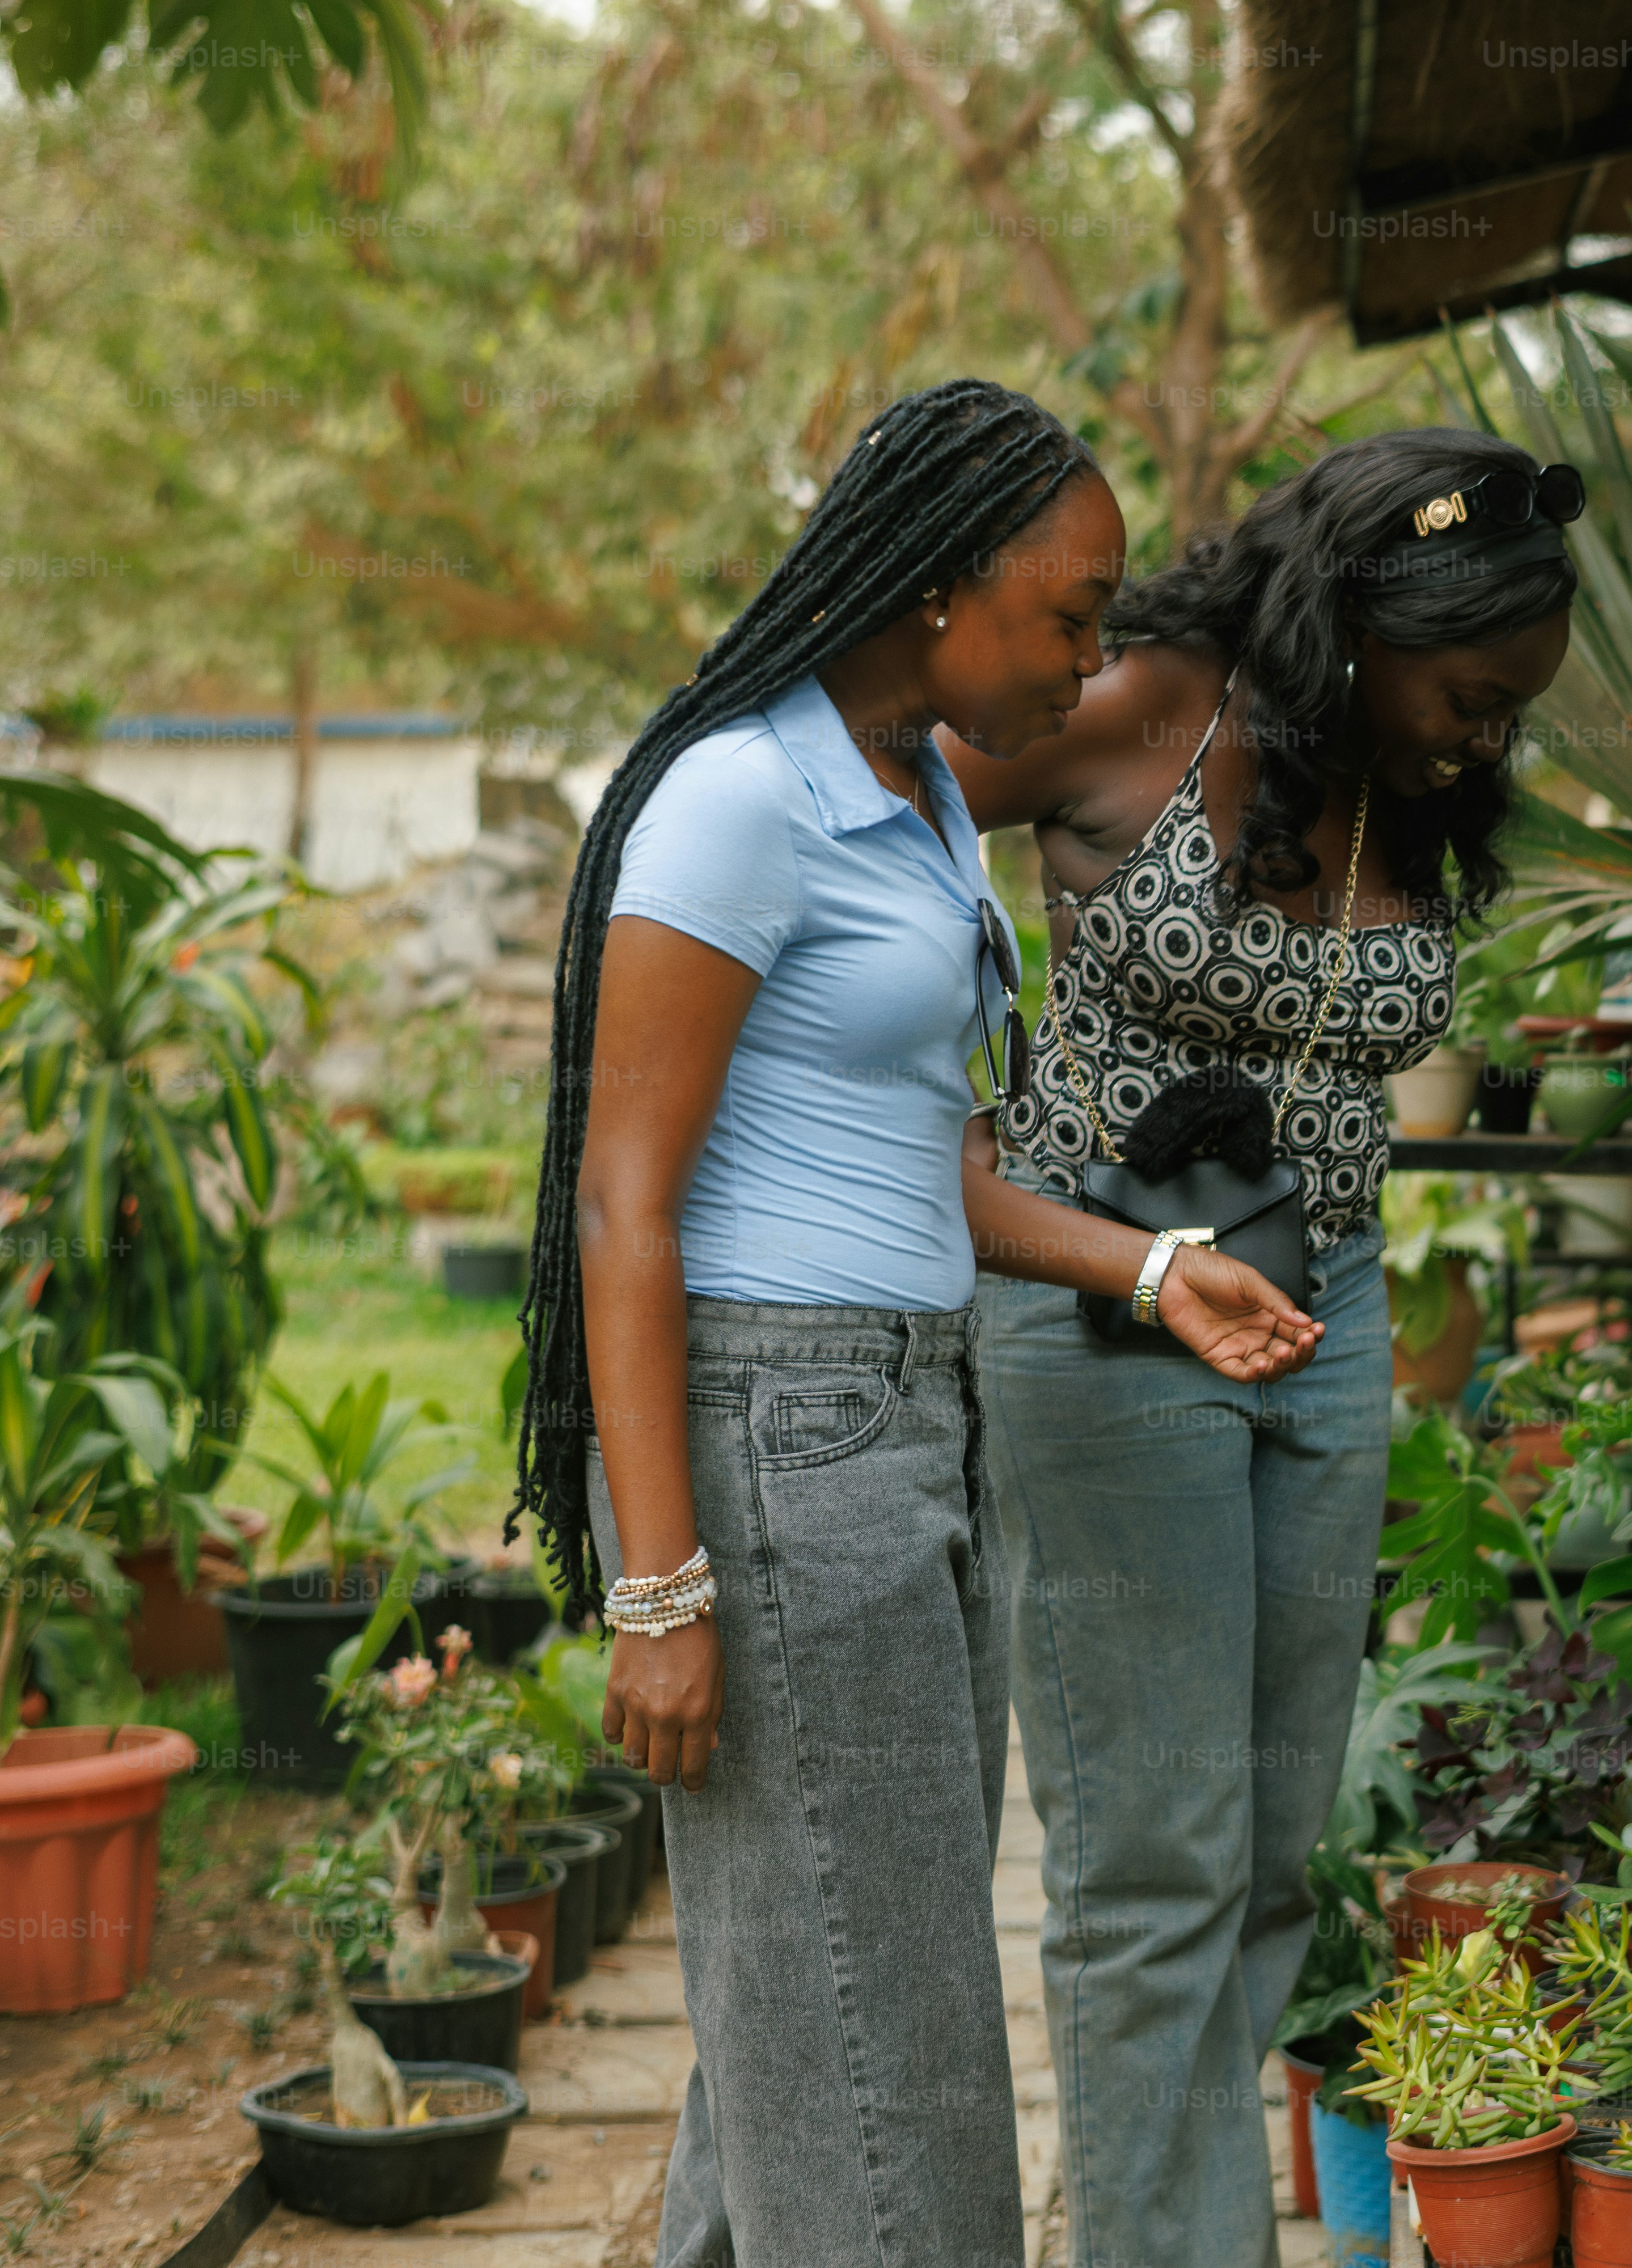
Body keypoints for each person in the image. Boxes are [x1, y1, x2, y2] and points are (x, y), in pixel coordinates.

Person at [508, 379, 1322, 2268]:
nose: (1095, 663)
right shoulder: (736, 800)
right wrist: (662, 1587)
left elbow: (919, 1163)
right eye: (1071, 617)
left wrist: (1141, 1268)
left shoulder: (924, 792)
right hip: (782, 1442)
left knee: (817, 1997)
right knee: (893, 2060)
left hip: (913, 1425)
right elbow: (624, 1202)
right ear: (937, 592)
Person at [950, 428, 1580, 2266]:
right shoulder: (1138, 704)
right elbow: (855, 874)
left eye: (1512, 709)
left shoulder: (1410, 782)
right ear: (1359, 631)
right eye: (1471, 695)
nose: (1489, 738)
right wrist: (950, 1132)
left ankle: (1184, 2229)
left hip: (1331, 1307)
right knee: (1152, 1868)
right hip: (1102, 1308)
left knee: (1274, 1849)